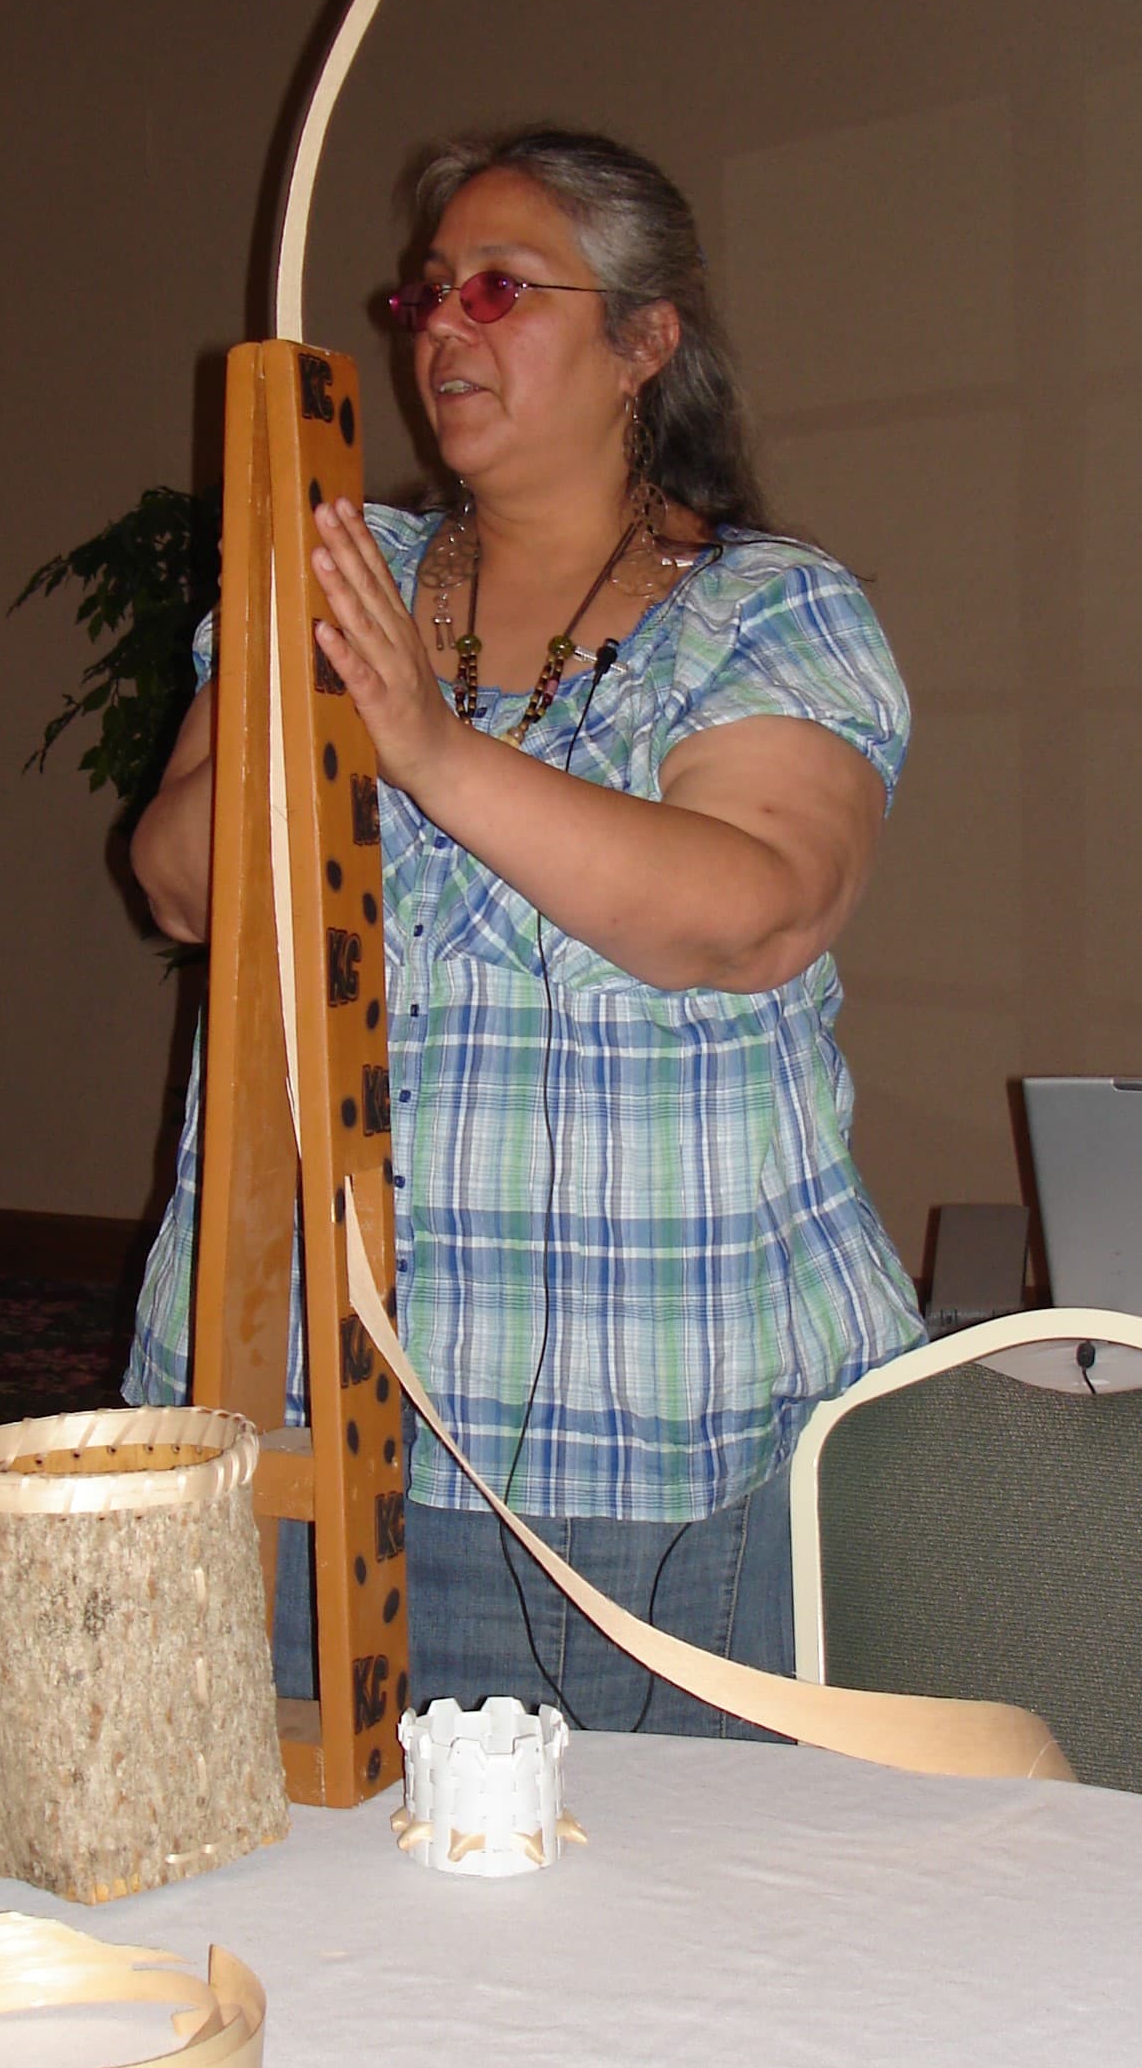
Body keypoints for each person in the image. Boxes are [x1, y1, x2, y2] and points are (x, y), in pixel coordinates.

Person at [123, 127, 921, 1729]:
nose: (441, 331)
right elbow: (186, 887)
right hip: (294, 1392)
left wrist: (430, 747)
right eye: (426, 295)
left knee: (653, 1937)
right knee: (305, 1903)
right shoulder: (343, 572)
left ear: (643, 340)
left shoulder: (768, 609)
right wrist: (296, 662)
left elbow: (748, 918)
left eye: (500, 289)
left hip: (648, 1426)